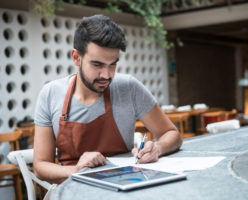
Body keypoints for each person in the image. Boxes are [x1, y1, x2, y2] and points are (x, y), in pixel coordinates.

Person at [33, 15, 182, 184]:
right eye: (97, 65)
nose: (106, 75)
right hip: (72, 188)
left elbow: (172, 134)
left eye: (113, 64)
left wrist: (157, 148)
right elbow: (40, 166)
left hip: (124, 186)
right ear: (76, 57)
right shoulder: (50, 94)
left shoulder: (129, 88)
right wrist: (75, 170)